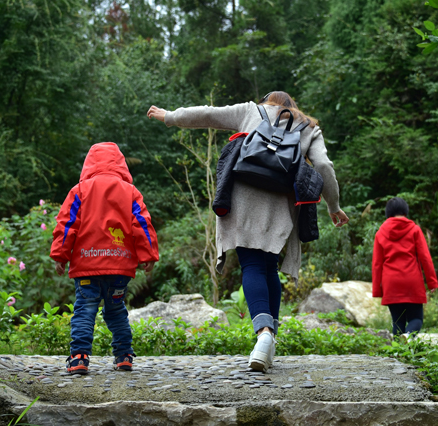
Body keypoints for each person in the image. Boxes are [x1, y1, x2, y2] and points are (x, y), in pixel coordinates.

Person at [147, 92, 349, 372]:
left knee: (252, 264)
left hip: (243, 199)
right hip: (281, 205)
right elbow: (324, 166)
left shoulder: (250, 111)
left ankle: (263, 334)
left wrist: (170, 116)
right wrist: (333, 206)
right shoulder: (309, 128)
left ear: (267, 101)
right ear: (292, 106)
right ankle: (270, 338)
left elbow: (208, 114)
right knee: (268, 266)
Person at [50, 142, 159, 375]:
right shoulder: (130, 192)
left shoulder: (79, 191)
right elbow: (142, 224)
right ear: (120, 164)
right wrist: (148, 253)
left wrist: (60, 254)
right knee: (116, 309)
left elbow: (67, 224)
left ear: (89, 164)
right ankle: (124, 355)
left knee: (85, 309)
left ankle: (79, 357)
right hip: (119, 267)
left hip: (87, 266)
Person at [372, 197, 438, 337]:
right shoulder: (414, 230)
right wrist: (432, 282)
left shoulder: (380, 233)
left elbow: (377, 264)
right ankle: (408, 336)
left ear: (388, 213)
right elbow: (425, 258)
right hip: (412, 281)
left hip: (391, 283)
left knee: (397, 323)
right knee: (416, 319)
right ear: (405, 211)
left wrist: (377, 289)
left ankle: (399, 348)